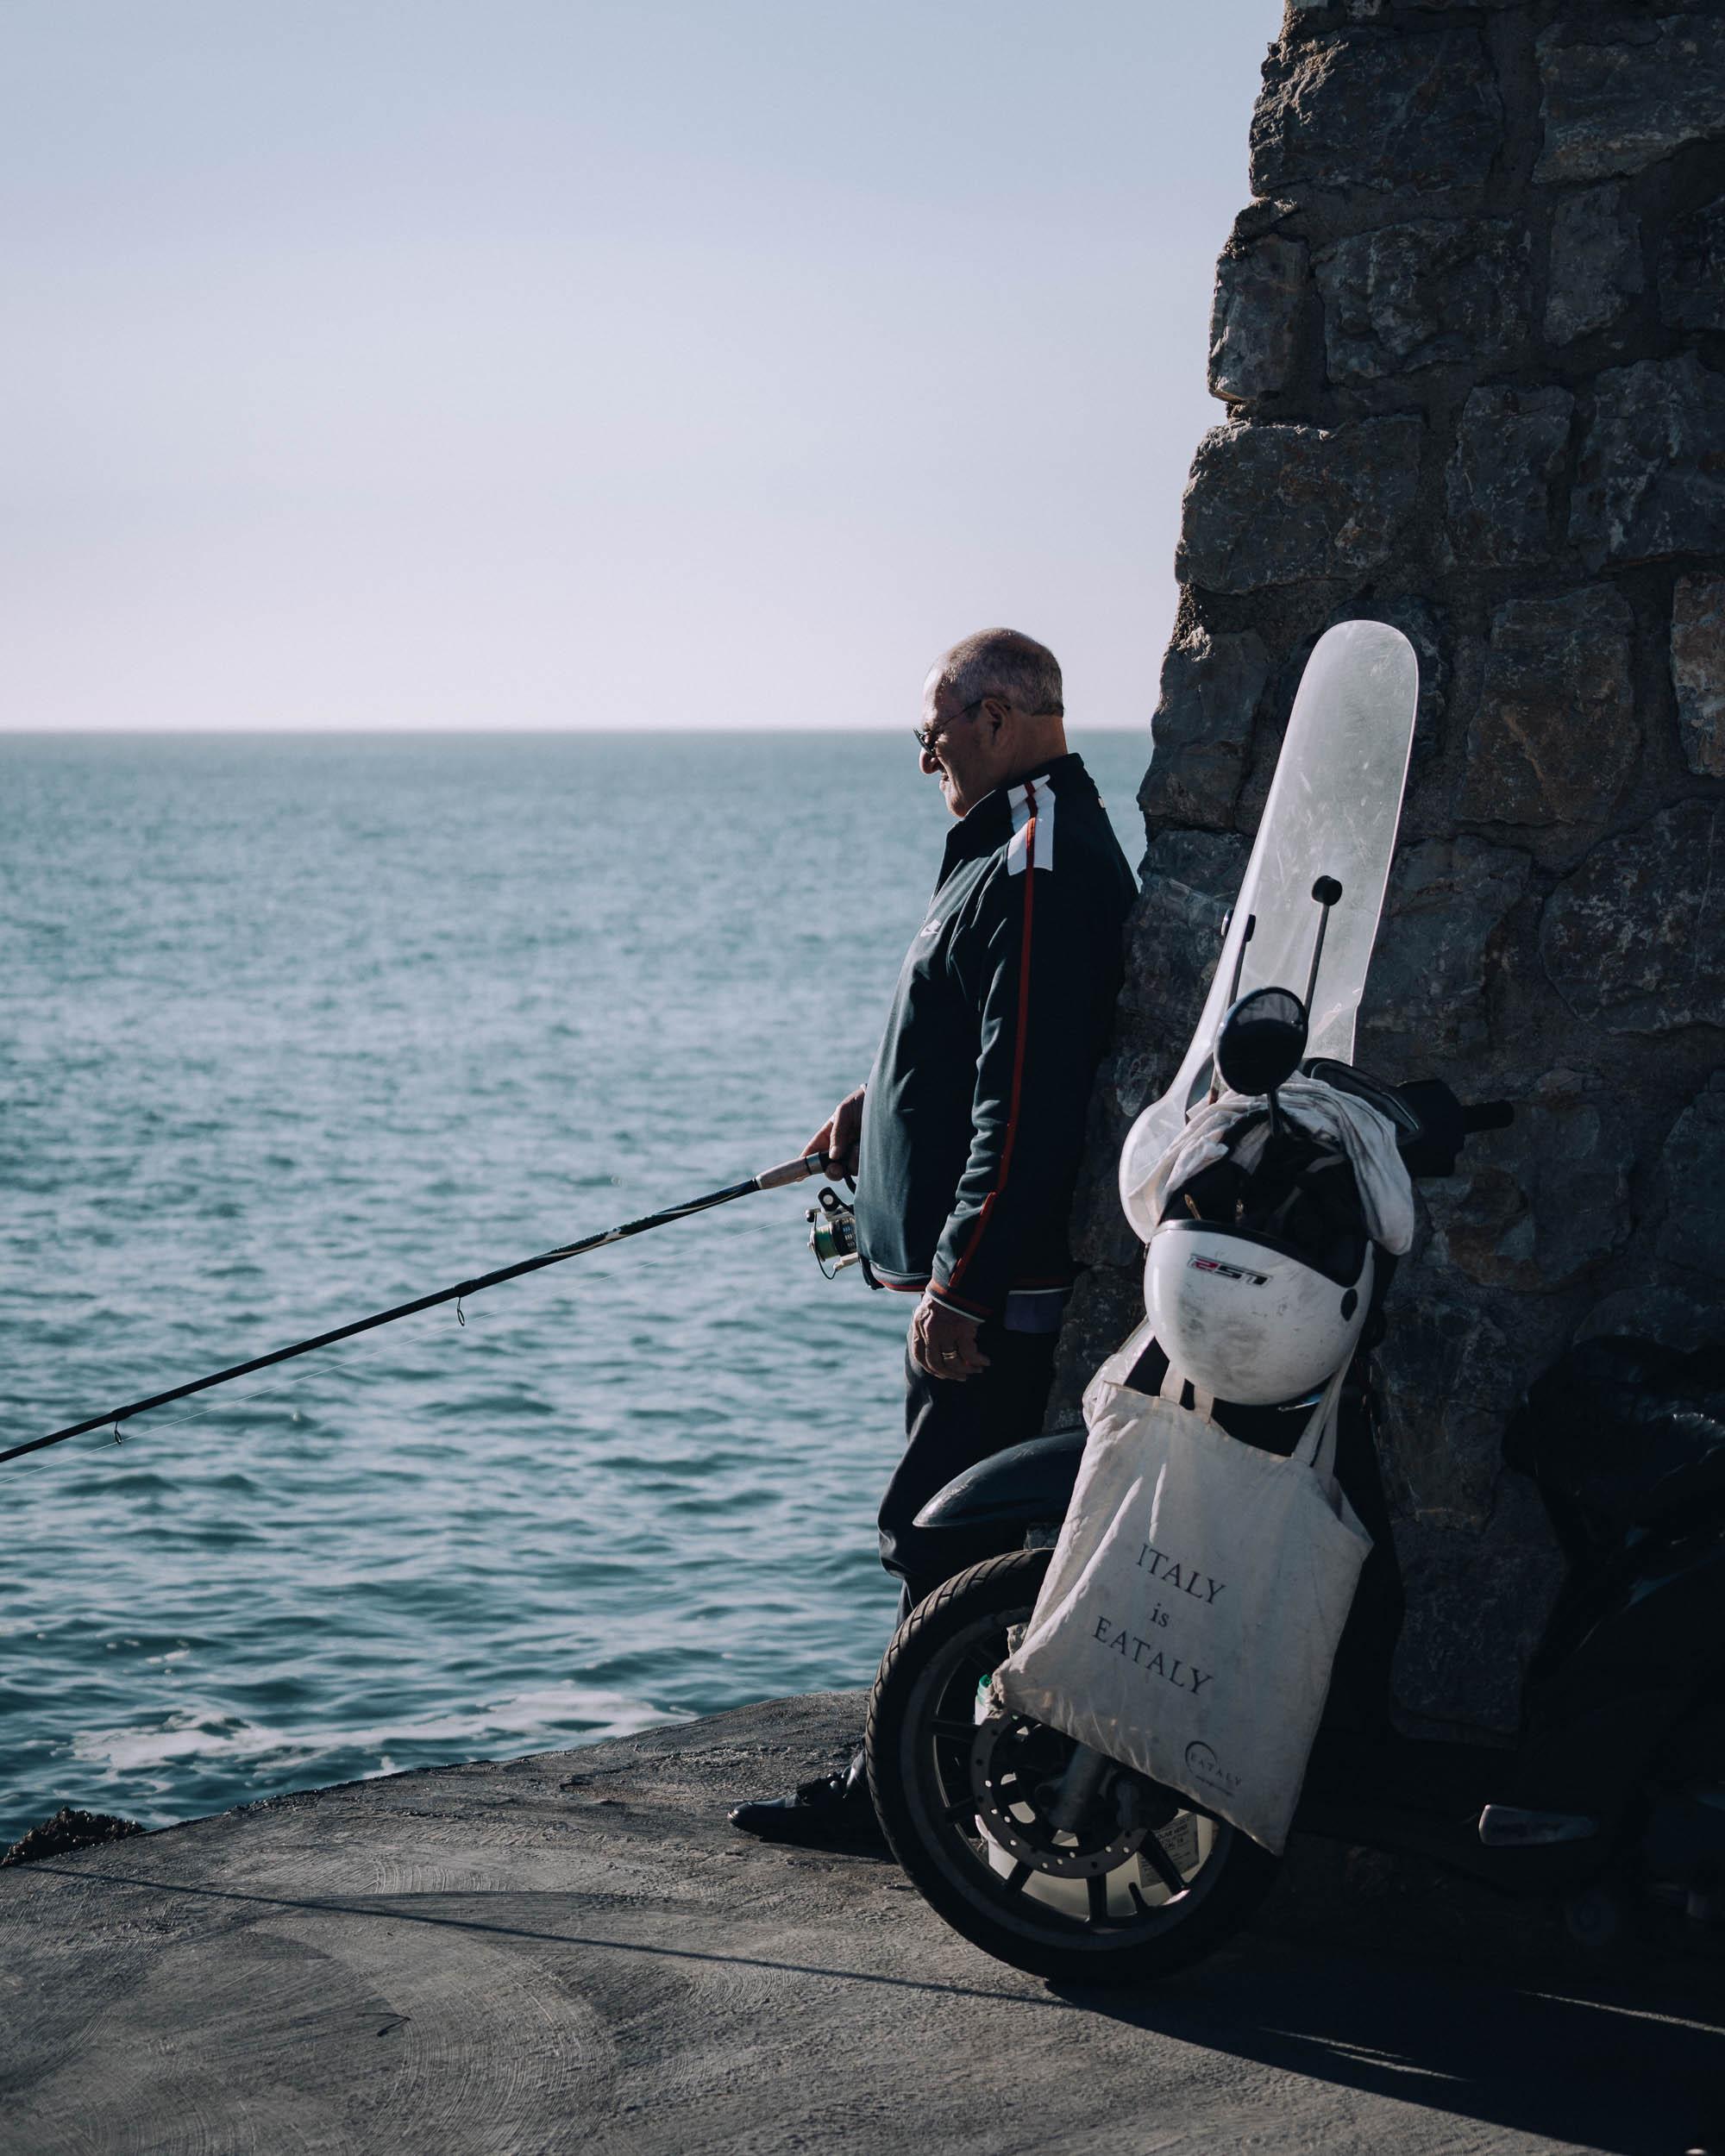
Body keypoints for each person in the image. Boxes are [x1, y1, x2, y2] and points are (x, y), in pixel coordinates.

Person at [731, 628, 1138, 1846]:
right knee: (942, 1522)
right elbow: (971, 1035)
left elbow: (1029, 1094)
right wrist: (879, 1105)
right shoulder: (1006, 851)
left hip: (994, 1294)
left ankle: (905, 1788)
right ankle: (924, 1768)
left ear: (1002, 717)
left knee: (940, 1526)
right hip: (976, 1278)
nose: (929, 759)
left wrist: (960, 1286)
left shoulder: (1035, 859)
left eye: (936, 734)